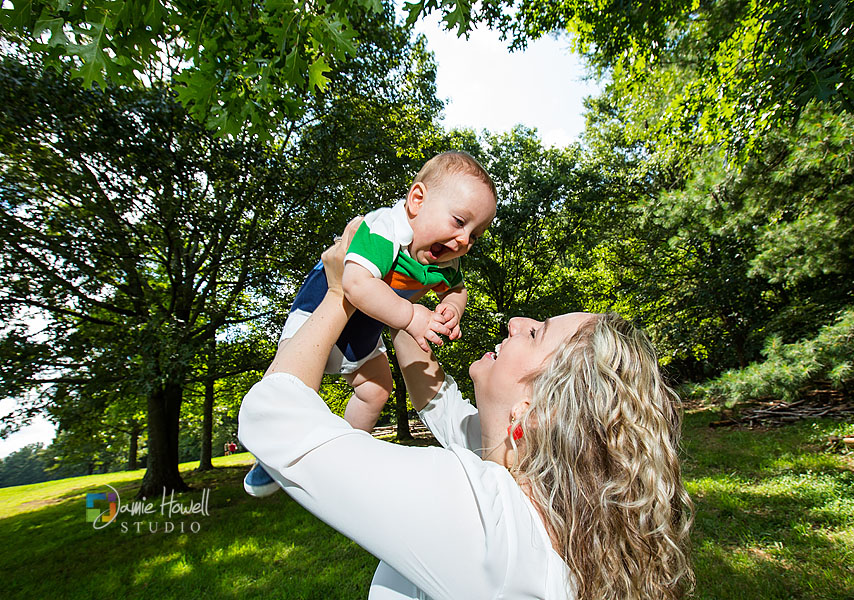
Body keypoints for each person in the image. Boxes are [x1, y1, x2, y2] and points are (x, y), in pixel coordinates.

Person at [238, 220, 694, 600]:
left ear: (537, 413)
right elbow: (434, 397)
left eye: (536, 334)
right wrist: (403, 302)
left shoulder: (476, 514)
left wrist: (342, 291)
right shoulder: (523, 492)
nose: (516, 321)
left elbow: (276, 418)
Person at [243, 151, 497, 497]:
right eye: (458, 221)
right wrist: (412, 317)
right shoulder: (384, 230)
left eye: (475, 234)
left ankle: (339, 456)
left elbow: (458, 289)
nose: (465, 241)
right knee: (293, 384)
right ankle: (268, 450)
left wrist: (452, 307)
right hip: (317, 315)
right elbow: (356, 284)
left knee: (376, 389)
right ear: (417, 200)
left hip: (362, 335)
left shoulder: (444, 261)